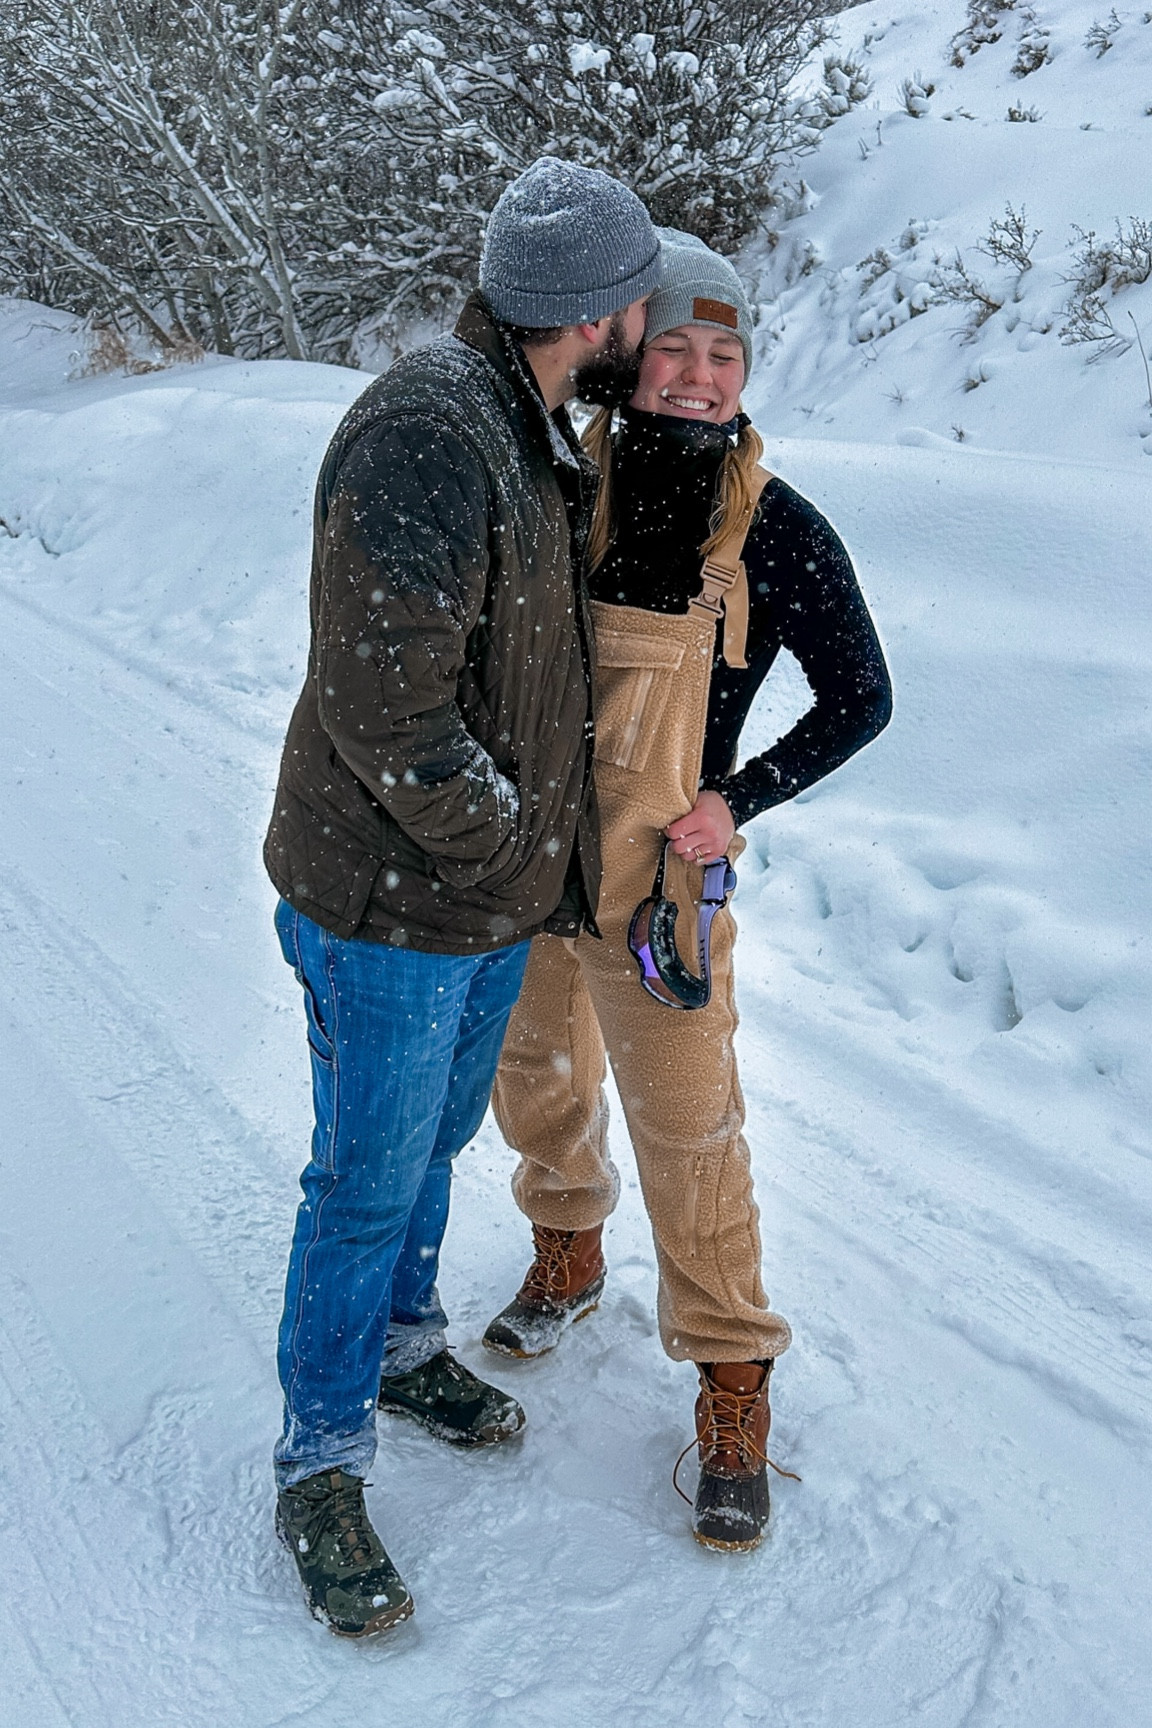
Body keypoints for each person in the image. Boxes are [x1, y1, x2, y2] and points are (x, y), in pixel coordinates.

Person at [263, 158, 661, 1636]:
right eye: (636, 299)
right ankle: (317, 1462)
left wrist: (518, 884)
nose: (647, 318)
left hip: (470, 910)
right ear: (590, 309)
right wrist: (510, 857)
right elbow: (389, 711)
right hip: (389, 911)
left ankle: (402, 1342)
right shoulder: (434, 434)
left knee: (434, 1139)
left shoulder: (531, 421)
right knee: (362, 1183)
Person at [485, 230, 892, 1552]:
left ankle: (730, 1377)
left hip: (661, 892)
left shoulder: (773, 527)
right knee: (533, 1072)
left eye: (725, 355)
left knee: (691, 1131)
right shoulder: (561, 480)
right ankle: (570, 1245)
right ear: (629, 352)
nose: (702, 376)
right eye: (677, 349)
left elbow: (862, 700)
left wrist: (736, 801)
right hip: (535, 858)